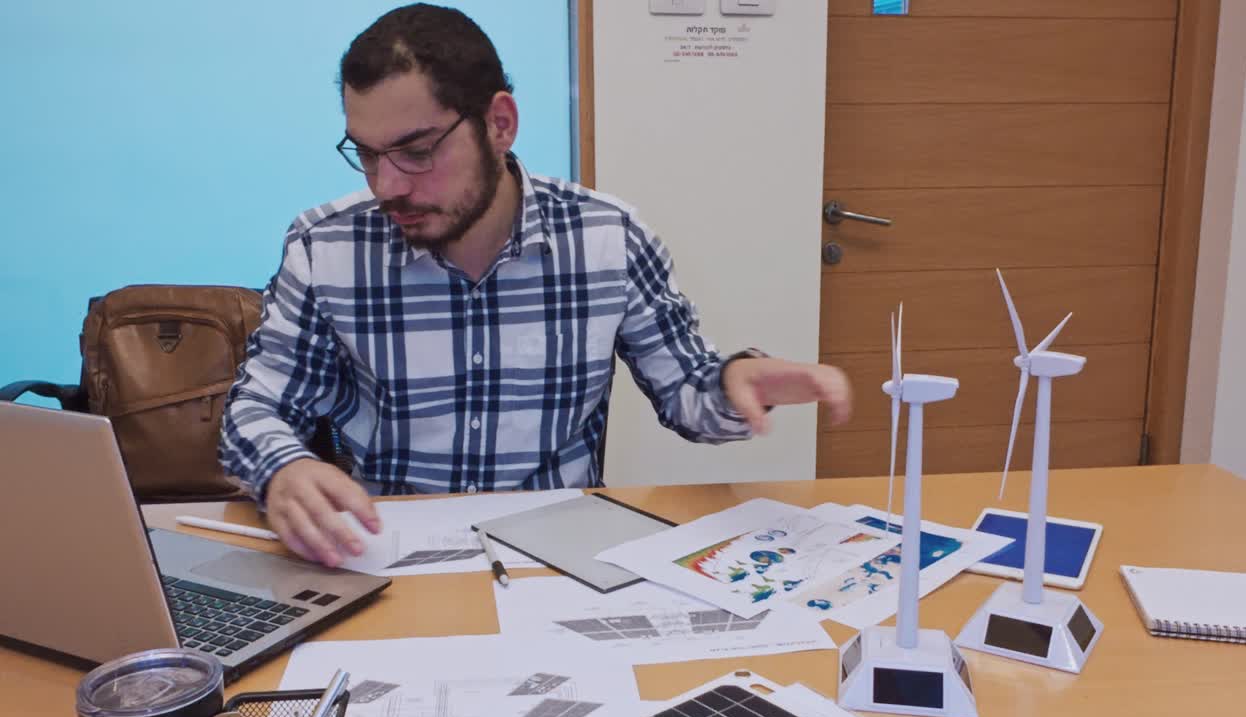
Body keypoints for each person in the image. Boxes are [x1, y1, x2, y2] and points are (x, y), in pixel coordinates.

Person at [219, 3, 852, 568]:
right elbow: (255, 408)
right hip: (385, 556)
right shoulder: (326, 247)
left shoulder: (607, 237)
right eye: (366, 154)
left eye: (416, 151)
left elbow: (689, 394)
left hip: (558, 561)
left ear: (499, 123)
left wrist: (735, 381)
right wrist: (284, 469)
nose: (388, 186)